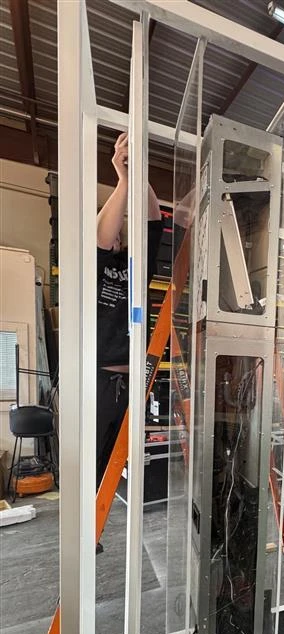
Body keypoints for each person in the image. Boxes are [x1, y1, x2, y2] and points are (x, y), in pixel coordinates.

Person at [96, 132, 163, 491]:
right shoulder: (94, 264)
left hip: (134, 379)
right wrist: (122, 179)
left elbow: (154, 222)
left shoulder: (135, 266)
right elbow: (101, 236)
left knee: (117, 465)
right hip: (100, 381)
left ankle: (96, 531)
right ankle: (85, 538)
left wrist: (139, 173)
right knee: (92, 464)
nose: (119, 231)